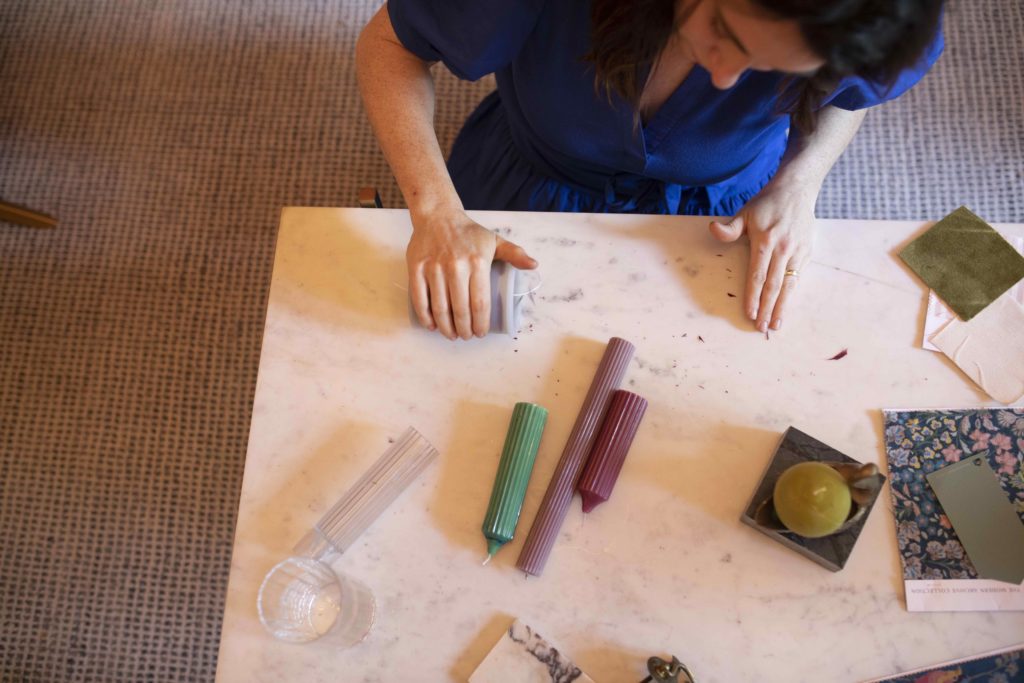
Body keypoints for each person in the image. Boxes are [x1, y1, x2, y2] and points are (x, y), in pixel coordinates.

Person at [356, 0, 944, 340]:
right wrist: (436, 212)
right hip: (526, 176)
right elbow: (390, 45)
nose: (724, 78)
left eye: (772, 66)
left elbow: (851, 97)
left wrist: (799, 182)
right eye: (723, 32)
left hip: (728, 206)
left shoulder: (883, 18)